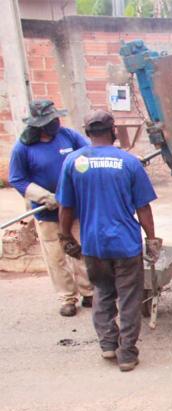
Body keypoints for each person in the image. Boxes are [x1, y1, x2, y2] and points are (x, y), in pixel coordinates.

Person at [56, 110, 160, 372]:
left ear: (87, 132)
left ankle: (108, 344)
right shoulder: (129, 162)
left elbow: (65, 206)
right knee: (129, 298)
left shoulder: (73, 162)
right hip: (125, 244)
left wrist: (65, 236)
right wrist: (151, 238)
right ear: (113, 131)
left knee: (102, 292)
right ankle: (127, 354)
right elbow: (143, 207)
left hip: (94, 244)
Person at [7, 99, 92, 317]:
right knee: (56, 255)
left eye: (55, 119)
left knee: (81, 249)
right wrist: (44, 196)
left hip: (74, 207)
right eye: (50, 121)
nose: (55, 123)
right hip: (47, 211)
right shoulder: (23, 148)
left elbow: (90, 153)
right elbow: (17, 179)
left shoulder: (68, 136)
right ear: (38, 125)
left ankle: (88, 291)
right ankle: (67, 297)